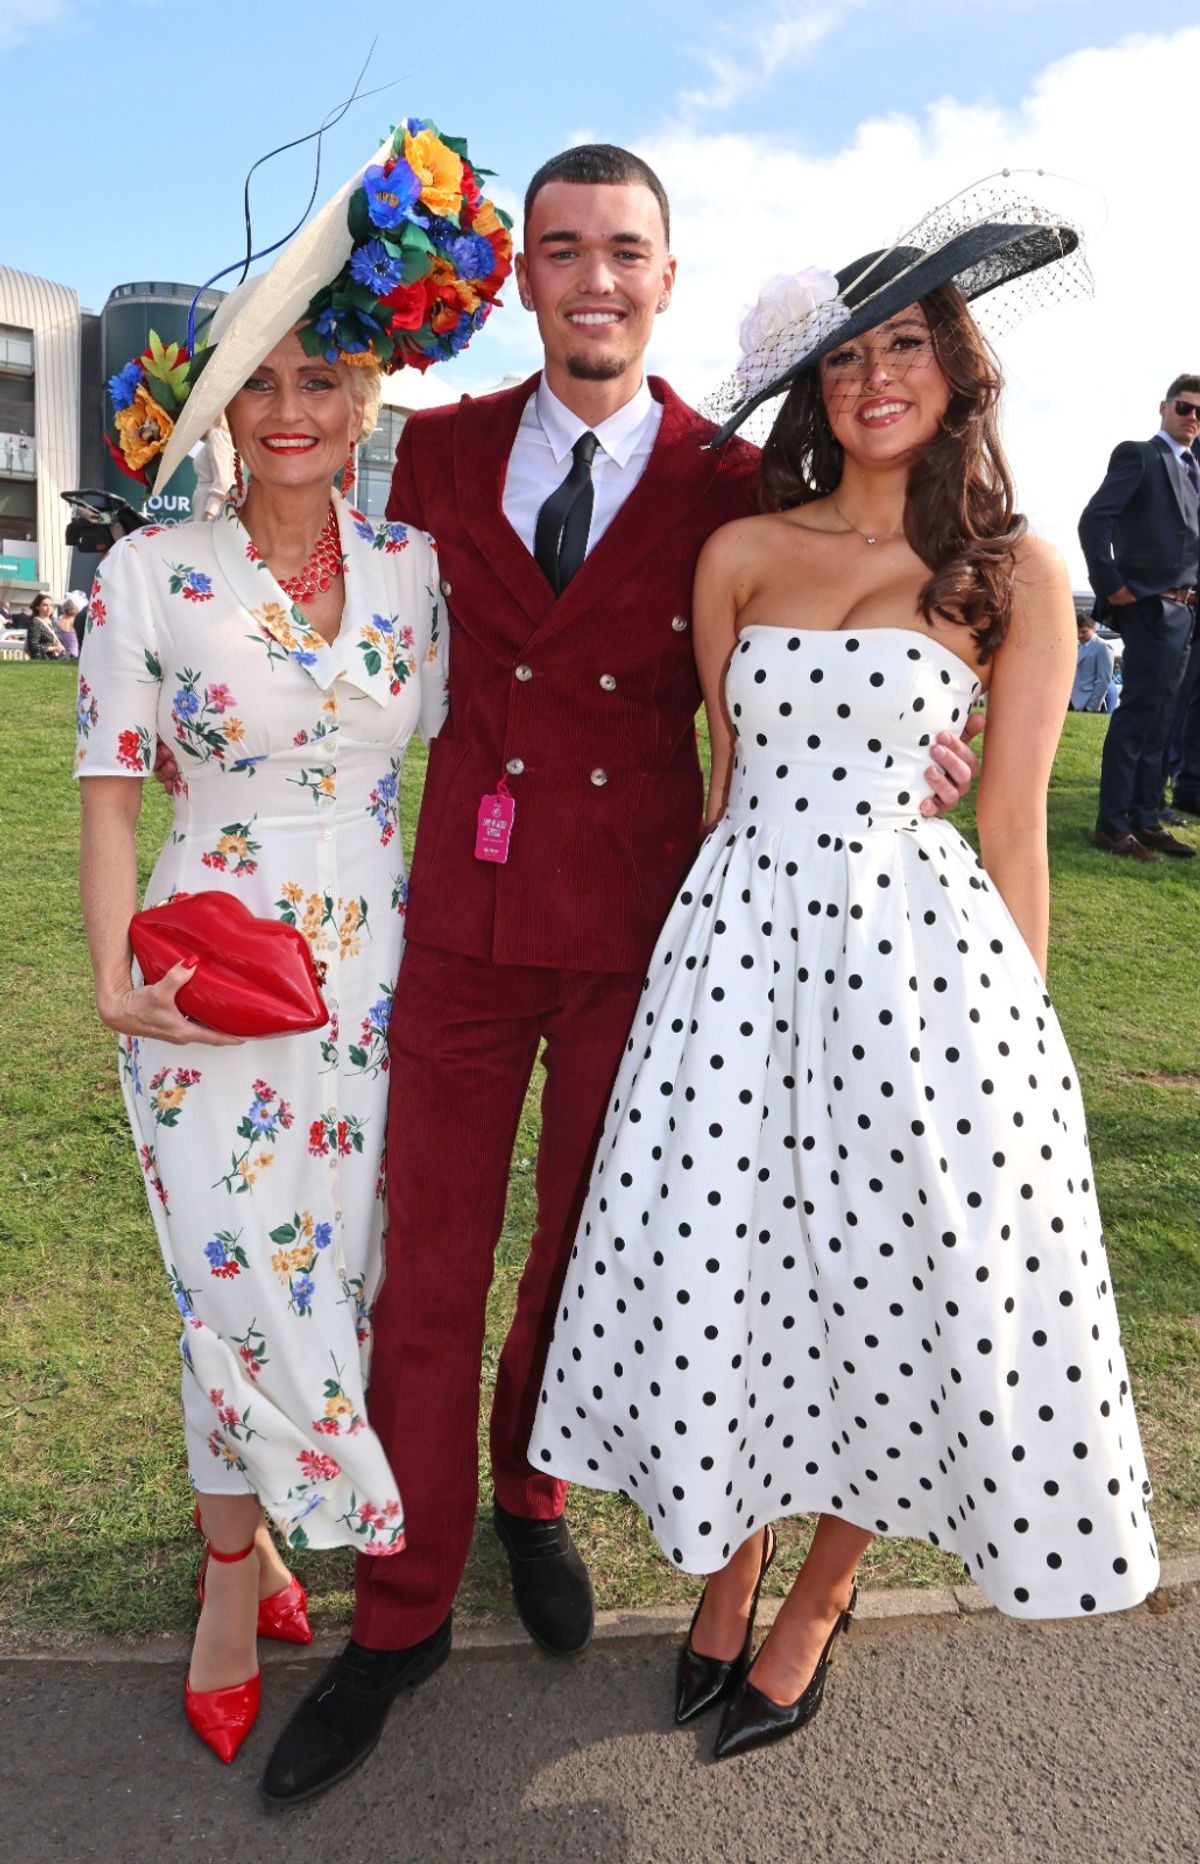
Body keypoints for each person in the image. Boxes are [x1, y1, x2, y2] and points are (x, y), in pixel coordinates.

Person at [261, 144, 982, 1809]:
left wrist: (914, 754)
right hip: (452, 925)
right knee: (427, 1269)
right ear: (522, 276)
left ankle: (535, 1493)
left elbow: (832, 648)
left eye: (626, 252)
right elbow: (342, 622)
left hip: (652, 941)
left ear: (667, 278)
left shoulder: (734, 477)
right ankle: (401, 1608)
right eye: (564, 249)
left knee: (584, 1258)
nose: (595, 278)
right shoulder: (426, 451)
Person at [532, 193, 1161, 1762]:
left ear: (955, 370)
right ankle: (728, 1558)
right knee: (746, 1269)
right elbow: (725, 774)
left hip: (925, 976)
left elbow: (1012, 818)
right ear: (814, 389)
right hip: (737, 959)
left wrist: (1021, 1041)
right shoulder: (739, 551)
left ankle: (818, 1594)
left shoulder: (1014, 569)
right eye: (846, 356)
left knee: (908, 1284)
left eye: (906, 345)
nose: (876, 376)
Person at [75, 117, 508, 1767]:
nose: (295, 409)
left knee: (340, 1266)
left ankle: (260, 1532)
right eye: (261, 384)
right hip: (202, 964)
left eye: (323, 375)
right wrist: (114, 973)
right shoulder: (152, 577)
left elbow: (471, 743)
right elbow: (112, 789)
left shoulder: (414, 571)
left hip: (381, 973)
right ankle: (225, 1568)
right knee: (231, 1279)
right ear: (221, 410)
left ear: (368, 391)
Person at [1079, 375, 1200, 861]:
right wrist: (1112, 585)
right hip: (1151, 606)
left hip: (1186, 613)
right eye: (1185, 407)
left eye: (1199, 413)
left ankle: (1146, 820)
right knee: (1137, 719)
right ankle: (1112, 826)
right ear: (1164, 407)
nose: (1193, 418)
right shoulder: (1141, 455)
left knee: (1163, 720)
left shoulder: (1194, 468)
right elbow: (1094, 520)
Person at [1070, 614, 1118, 712]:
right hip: (1071, 702)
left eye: (1084, 632)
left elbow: (1104, 680)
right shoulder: (1074, 646)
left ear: (1093, 629)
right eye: (1077, 631)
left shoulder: (1103, 647)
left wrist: (1091, 707)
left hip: (1088, 702)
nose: (1079, 635)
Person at [26, 592, 68, 659]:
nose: (49, 608)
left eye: (51, 605)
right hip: (44, 660)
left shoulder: (54, 621)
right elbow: (33, 646)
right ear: (37, 607)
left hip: (58, 659)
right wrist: (54, 648)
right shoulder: (36, 622)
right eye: (45, 605)